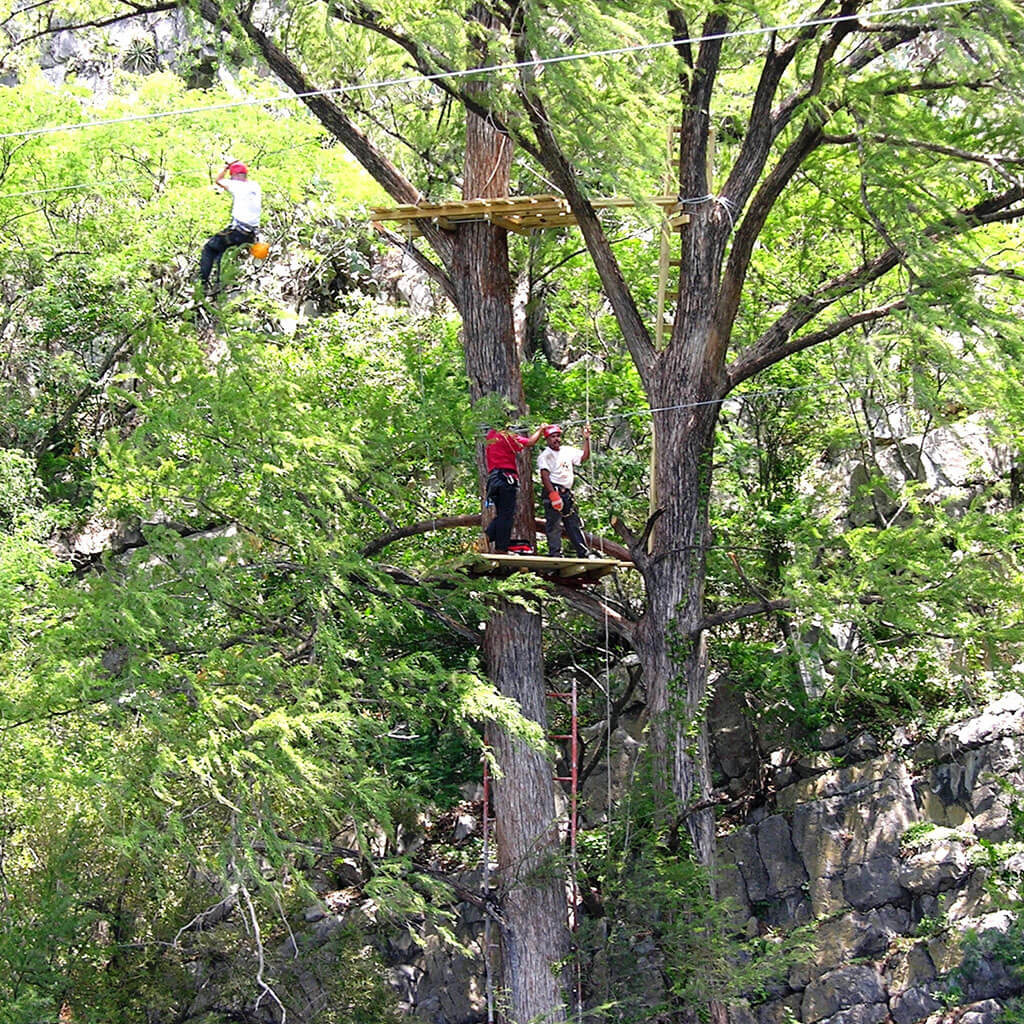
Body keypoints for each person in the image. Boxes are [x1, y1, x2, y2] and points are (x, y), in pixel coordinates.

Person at [199, 161, 262, 294]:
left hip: (237, 231)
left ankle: (203, 284)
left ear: (236, 176)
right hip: (251, 233)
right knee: (221, 252)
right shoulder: (255, 186)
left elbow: (219, 180)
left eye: (232, 176)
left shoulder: (237, 185)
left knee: (209, 249)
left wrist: (225, 167)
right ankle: (219, 284)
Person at [483, 422, 546, 553]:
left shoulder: (490, 436)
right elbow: (529, 442)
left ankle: (489, 537)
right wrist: (540, 430)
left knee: (502, 514)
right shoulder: (507, 437)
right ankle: (500, 547)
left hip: (494, 480)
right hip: (505, 479)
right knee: (506, 516)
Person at [537, 422, 592, 558]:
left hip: (566, 493)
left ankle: (583, 553)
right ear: (547, 440)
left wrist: (586, 439)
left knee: (573, 524)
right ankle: (555, 554)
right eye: (552, 437)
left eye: (557, 436)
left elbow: (584, 457)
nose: (556, 439)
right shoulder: (545, 455)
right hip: (553, 491)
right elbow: (544, 476)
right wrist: (553, 495)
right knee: (554, 525)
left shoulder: (567, 451)